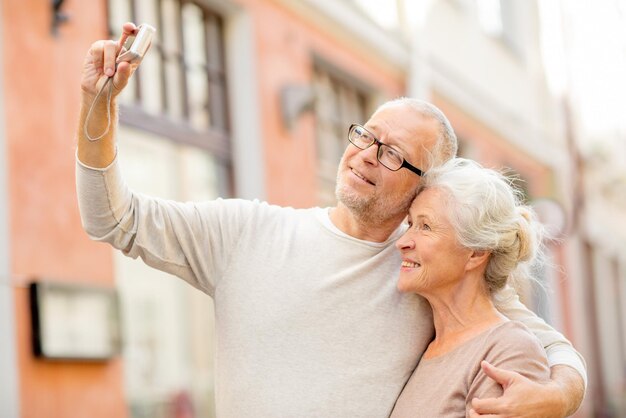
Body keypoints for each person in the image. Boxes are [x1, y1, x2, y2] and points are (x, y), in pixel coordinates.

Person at [75, 23, 586, 418]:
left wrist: (558, 396)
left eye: (392, 154)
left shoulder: (427, 271)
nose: (365, 154)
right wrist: (97, 110)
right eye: (366, 135)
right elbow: (113, 219)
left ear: (422, 189)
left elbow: (549, 347)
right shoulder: (244, 232)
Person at [390, 158, 552, 417]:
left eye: (425, 226)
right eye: (410, 224)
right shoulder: (425, 346)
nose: (403, 242)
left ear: (476, 253)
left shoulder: (508, 350)